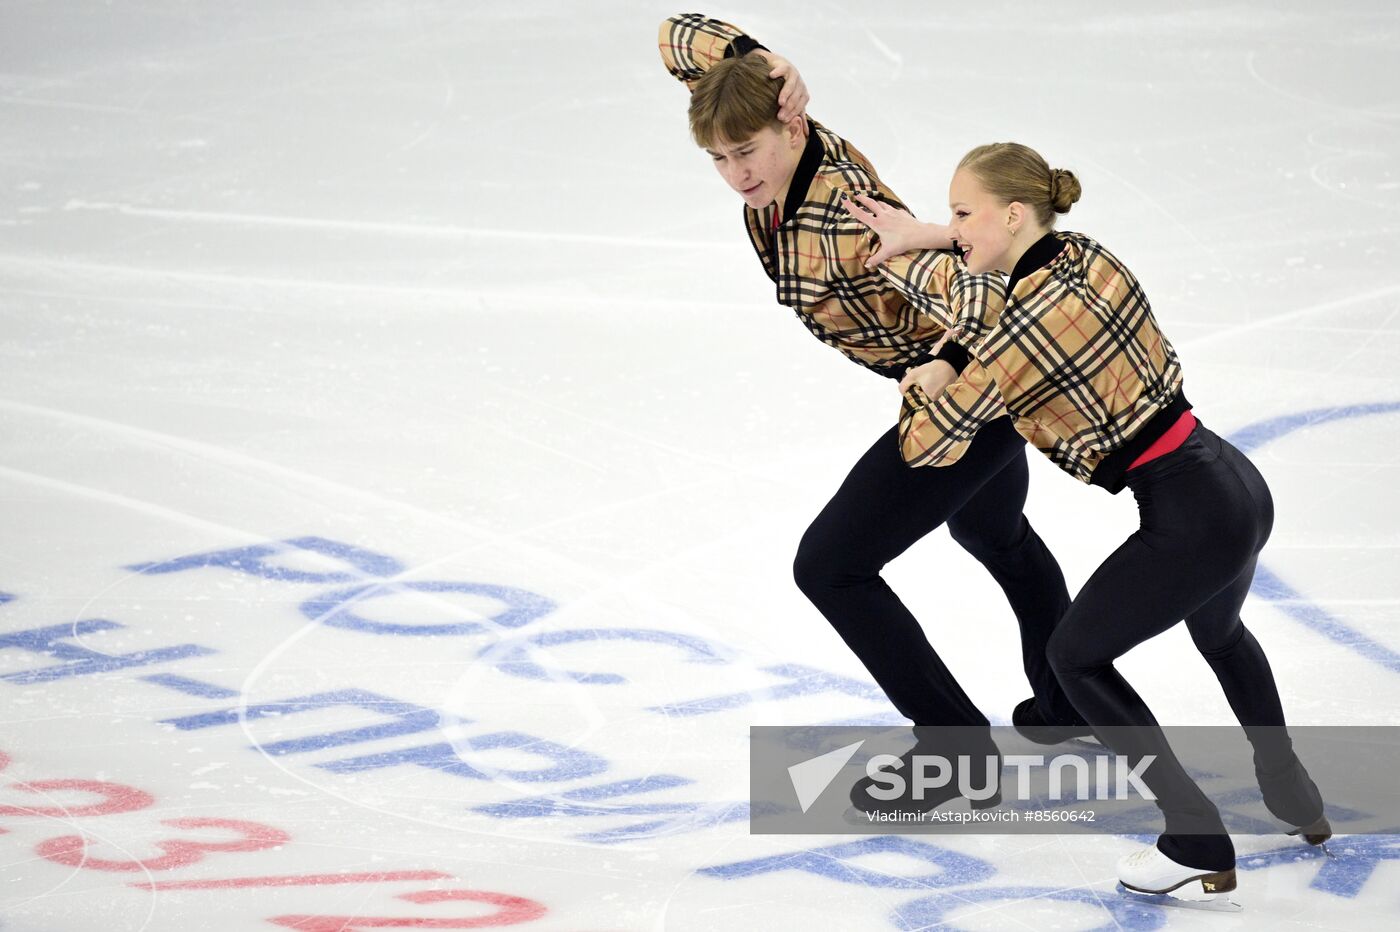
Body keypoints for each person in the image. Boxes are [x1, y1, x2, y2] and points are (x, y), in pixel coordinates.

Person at [845, 142, 1329, 894]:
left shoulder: (1021, 333)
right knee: (1222, 635)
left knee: (1074, 659)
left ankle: (1195, 837)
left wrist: (922, 381)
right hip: (1233, 482)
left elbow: (932, 443)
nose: (955, 226)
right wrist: (926, 244)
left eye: (963, 213)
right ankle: (1292, 790)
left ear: (1013, 215)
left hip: (1189, 515)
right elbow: (982, 284)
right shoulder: (1084, 253)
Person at [658, 13, 1090, 811]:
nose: (735, 174)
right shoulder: (772, 131)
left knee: (830, 567)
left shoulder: (845, 221)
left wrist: (947, 361)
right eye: (718, 158)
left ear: (791, 127)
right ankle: (1071, 706)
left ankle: (959, 753)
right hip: (958, 382)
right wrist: (760, 58)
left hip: (970, 392)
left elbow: (983, 289)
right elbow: (673, 34)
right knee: (993, 532)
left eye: (745, 152)